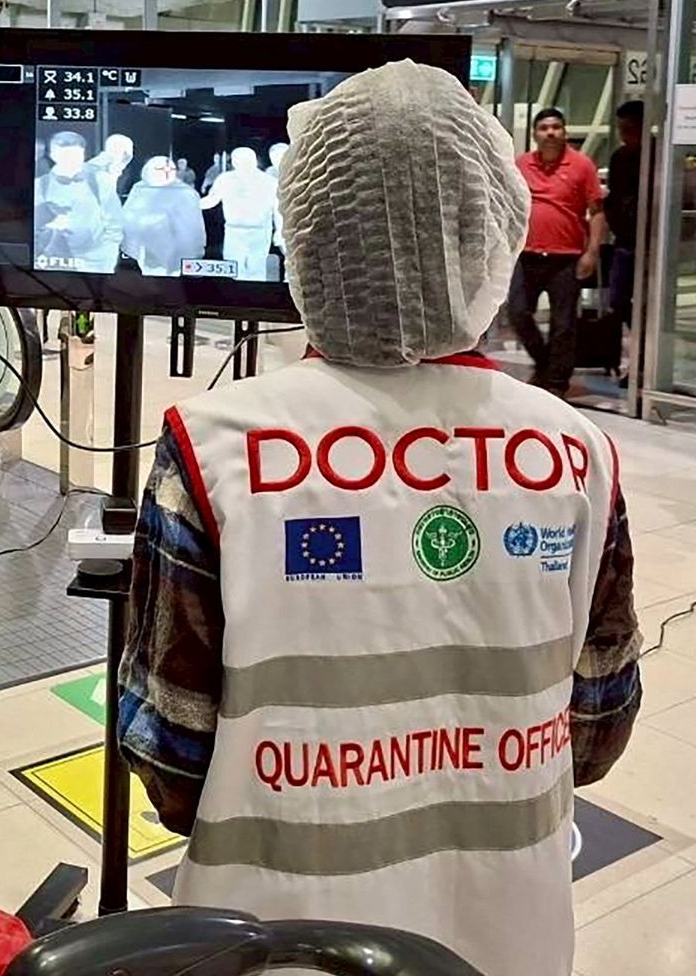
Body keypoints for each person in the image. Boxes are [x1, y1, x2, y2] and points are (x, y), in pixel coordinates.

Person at [118, 60, 641, 976]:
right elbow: (597, 728)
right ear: (495, 231)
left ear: (307, 234)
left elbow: (170, 748)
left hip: (275, 930)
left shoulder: (214, 447)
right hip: (507, 929)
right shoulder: (575, 450)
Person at [506, 107, 607, 397]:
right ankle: (544, 363)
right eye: (544, 128)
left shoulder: (582, 166)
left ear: (564, 132)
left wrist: (592, 252)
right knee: (517, 312)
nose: (550, 133)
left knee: (563, 324)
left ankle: (556, 381)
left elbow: (597, 211)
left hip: (566, 258)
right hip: (527, 255)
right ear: (535, 134)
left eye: (556, 127)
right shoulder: (522, 165)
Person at [33, 130, 115, 272]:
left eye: (76, 155)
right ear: (53, 155)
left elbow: (115, 224)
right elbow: (30, 227)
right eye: (66, 155)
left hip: (95, 262)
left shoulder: (101, 182)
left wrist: (107, 257)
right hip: (52, 261)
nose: (72, 160)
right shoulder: (40, 185)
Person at [200, 146, 278, 282]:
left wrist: (280, 230)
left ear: (254, 161)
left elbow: (277, 208)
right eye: (239, 160)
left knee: (256, 268)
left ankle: (255, 294)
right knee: (234, 270)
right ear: (234, 162)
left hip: (260, 231)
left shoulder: (269, 181)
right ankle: (236, 293)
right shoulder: (225, 179)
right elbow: (211, 200)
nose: (243, 163)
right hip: (234, 231)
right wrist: (191, 204)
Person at [119, 155, 204, 275]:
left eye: (169, 169)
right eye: (160, 169)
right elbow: (128, 218)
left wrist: (194, 251)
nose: (165, 172)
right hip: (146, 251)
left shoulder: (186, 193)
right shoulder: (139, 188)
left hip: (174, 252)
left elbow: (192, 227)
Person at [602, 101, 648, 326]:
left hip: (651, 240)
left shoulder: (658, 156)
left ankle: (644, 336)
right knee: (618, 298)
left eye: (629, 129)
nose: (624, 135)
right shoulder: (620, 157)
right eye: (621, 129)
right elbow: (614, 196)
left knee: (648, 297)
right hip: (625, 239)